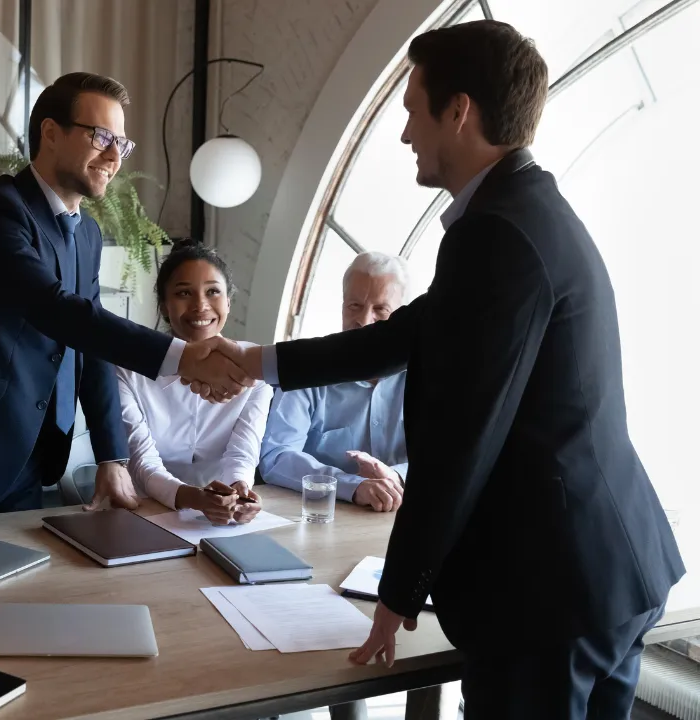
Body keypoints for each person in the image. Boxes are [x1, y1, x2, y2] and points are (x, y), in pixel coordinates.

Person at [205, 20, 685, 718]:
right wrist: (256, 361)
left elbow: (462, 436)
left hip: (549, 590)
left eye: (411, 111)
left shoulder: (498, 233)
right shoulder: (524, 211)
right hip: (599, 572)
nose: (405, 134)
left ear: (458, 111)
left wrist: (398, 593)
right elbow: (408, 333)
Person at [0, 72, 252, 522]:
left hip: (30, 459)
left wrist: (111, 456)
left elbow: (90, 344)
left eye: (122, 144)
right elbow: (54, 308)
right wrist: (183, 356)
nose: (114, 156)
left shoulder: (87, 234)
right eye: (101, 137)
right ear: (51, 133)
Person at [116, 240, 270, 523]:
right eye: (184, 293)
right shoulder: (128, 370)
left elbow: (242, 452)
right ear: (164, 306)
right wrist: (193, 498)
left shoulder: (253, 369)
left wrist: (240, 489)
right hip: (143, 510)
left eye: (213, 292)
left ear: (228, 301)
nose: (200, 306)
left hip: (222, 516)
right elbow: (142, 462)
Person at [260, 252, 409, 513]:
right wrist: (353, 486)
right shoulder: (307, 369)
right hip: (322, 517)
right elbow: (276, 456)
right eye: (355, 306)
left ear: (404, 316)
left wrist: (395, 476)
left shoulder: (427, 376)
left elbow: (448, 454)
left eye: (380, 309)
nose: (364, 320)